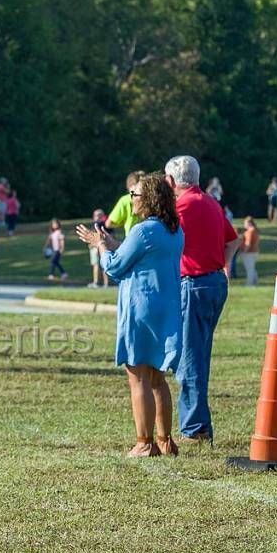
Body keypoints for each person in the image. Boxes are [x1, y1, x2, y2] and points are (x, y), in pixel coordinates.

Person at [76, 173, 184, 457]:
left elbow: (114, 267)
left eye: (135, 195)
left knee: (137, 376)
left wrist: (101, 247)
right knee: (158, 378)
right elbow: (140, 256)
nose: (131, 199)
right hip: (166, 306)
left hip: (141, 308)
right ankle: (165, 441)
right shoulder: (173, 229)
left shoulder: (142, 230)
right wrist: (111, 244)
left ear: (147, 198)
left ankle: (143, 443)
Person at [165, 155, 240, 443]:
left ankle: (195, 428)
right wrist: (224, 266)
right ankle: (200, 424)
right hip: (214, 283)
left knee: (190, 358)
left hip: (192, 284)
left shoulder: (181, 206)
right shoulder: (210, 201)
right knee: (198, 354)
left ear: (171, 181)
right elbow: (232, 240)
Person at [107, 171, 144, 236]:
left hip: (133, 240)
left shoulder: (125, 200)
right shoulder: (152, 198)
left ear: (130, 187)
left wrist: (123, 222)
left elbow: (109, 223)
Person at [88, 209, 110, 288]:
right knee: (103, 265)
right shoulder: (106, 225)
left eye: (98, 215)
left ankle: (96, 282)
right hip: (103, 246)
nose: (96, 217)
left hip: (98, 247)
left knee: (97, 265)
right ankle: (105, 283)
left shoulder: (98, 225)